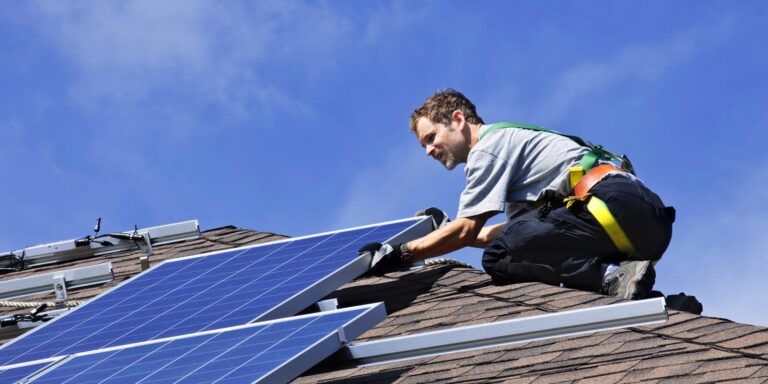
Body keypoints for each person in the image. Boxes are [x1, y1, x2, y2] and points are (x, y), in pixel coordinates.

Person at [361, 89, 674, 300]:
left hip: (611, 208)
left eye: (431, 137)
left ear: (457, 120)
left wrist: (402, 252)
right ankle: (654, 299)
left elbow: (468, 230)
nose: (428, 150)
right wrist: (445, 233)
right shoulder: (512, 147)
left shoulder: (487, 149)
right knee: (512, 244)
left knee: (499, 258)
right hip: (646, 223)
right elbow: (513, 232)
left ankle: (609, 277)